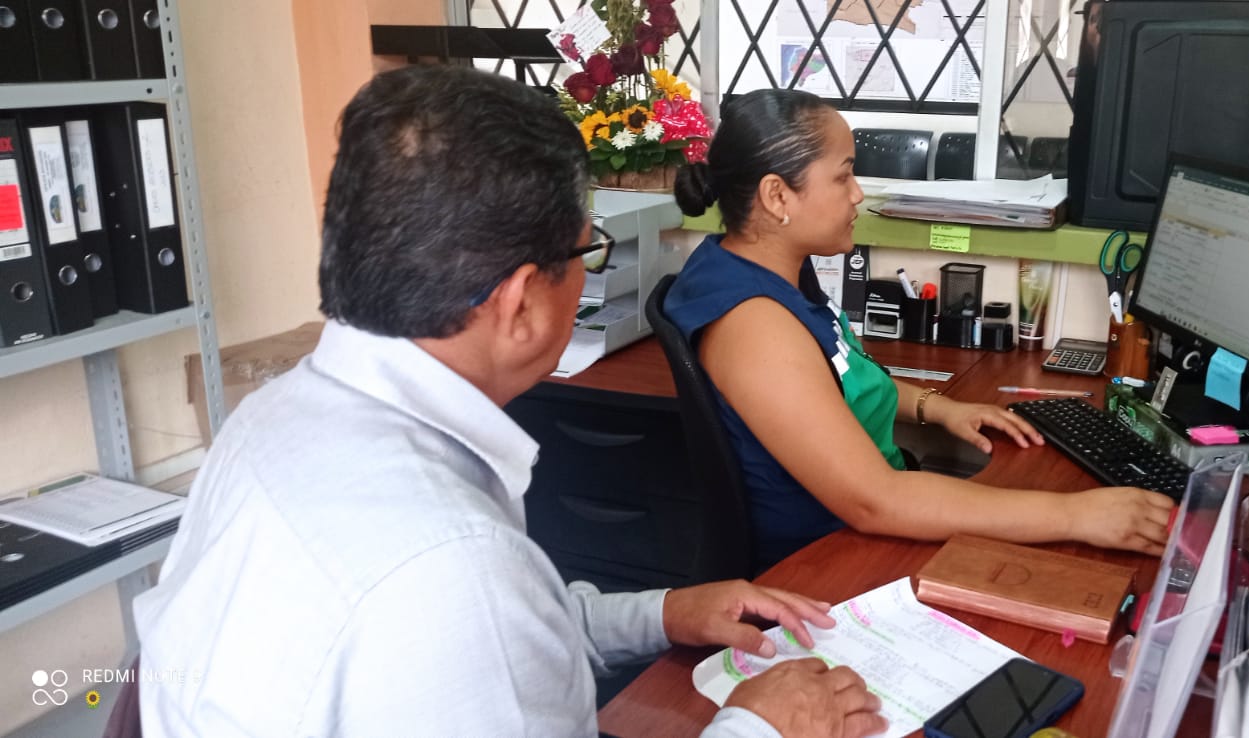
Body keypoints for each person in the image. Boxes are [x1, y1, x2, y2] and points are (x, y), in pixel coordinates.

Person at [133, 66, 885, 738]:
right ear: (522, 301)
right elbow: (479, 622)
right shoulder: (452, 571)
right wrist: (762, 726)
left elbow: (507, 633)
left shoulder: (270, 418)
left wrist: (662, 612)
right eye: (587, 252)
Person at [666, 89, 1175, 567]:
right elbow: (877, 501)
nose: (857, 194)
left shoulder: (763, 268)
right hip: (827, 561)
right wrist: (1076, 515)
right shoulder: (756, 326)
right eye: (843, 177)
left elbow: (839, 378)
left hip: (862, 522)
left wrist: (939, 407)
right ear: (777, 196)